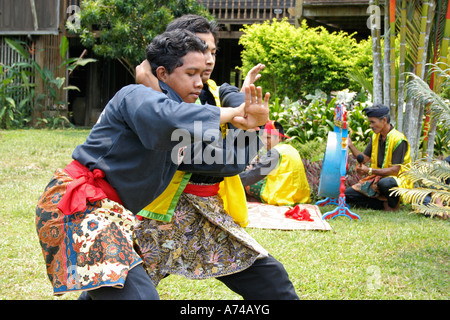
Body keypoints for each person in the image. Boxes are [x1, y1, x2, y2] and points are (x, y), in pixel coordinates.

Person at [36, 29, 270, 300]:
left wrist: (252, 126)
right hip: (78, 207)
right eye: (190, 74)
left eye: (202, 75)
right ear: (162, 73)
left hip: (111, 216)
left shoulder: (180, 129)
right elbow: (167, 116)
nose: (199, 83)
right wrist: (233, 113)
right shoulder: (134, 96)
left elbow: (227, 161)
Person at [134, 16, 299, 300]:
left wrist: (245, 111)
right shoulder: (152, 102)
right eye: (200, 51)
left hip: (206, 212)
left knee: (270, 279)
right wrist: (250, 128)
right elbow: (227, 162)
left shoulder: (211, 92)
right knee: (119, 287)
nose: (208, 60)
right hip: (154, 216)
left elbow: (232, 98)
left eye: (212, 52)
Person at [344, 104, 412, 211]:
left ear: (384, 120)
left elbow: (395, 171)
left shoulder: (399, 139)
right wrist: (351, 145)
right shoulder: (375, 136)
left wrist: (369, 171)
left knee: (385, 183)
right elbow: (365, 159)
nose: (370, 125)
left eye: (372, 122)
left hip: (397, 181)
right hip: (377, 179)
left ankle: (394, 205)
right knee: (346, 195)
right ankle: (382, 204)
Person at [240, 120, 311, 206]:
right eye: (263, 137)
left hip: (282, 196)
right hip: (299, 196)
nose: (265, 142)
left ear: (280, 138)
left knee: (249, 183)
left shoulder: (275, 152)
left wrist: (234, 179)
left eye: (268, 138)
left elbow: (255, 173)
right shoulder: (290, 148)